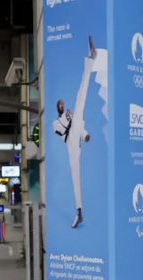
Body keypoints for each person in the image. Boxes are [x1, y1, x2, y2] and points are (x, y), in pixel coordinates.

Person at [51, 36, 104, 230]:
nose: (63, 105)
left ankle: (91, 59)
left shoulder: (69, 115)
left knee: (81, 96)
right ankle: (79, 211)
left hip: (76, 137)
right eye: (60, 104)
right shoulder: (56, 122)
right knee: (76, 179)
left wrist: (85, 134)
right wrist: (70, 120)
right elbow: (63, 130)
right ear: (57, 107)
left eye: (63, 104)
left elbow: (78, 126)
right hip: (70, 144)